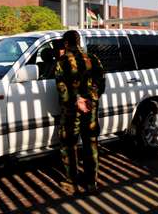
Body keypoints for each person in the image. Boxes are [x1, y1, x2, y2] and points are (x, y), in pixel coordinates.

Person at [55, 30, 105, 194]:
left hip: (72, 110)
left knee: (69, 143)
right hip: (90, 108)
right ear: (79, 41)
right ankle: (92, 182)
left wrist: (76, 100)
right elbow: (101, 81)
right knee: (90, 142)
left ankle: (72, 181)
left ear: (66, 43)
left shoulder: (62, 61)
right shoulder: (93, 58)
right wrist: (90, 99)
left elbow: (62, 87)